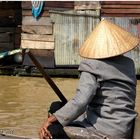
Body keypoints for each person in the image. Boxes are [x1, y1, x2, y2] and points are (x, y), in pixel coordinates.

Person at [39, 19, 139, 139]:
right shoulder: (129, 64)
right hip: (124, 127)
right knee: (56, 106)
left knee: (52, 129)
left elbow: (81, 101)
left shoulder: (92, 65)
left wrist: (49, 121)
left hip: (103, 131)